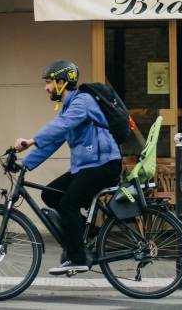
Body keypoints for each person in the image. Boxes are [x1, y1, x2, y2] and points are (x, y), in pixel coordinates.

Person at [14, 60, 123, 275]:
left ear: (62, 82)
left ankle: (78, 258)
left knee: (68, 204)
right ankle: (86, 236)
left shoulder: (83, 102)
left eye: (48, 82)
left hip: (105, 164)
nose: (46, 88)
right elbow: (55, 140)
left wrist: (31, 140)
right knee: (50, 195)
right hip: (89, 166)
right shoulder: (69, 107)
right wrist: (24, 164)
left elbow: (60, 126)